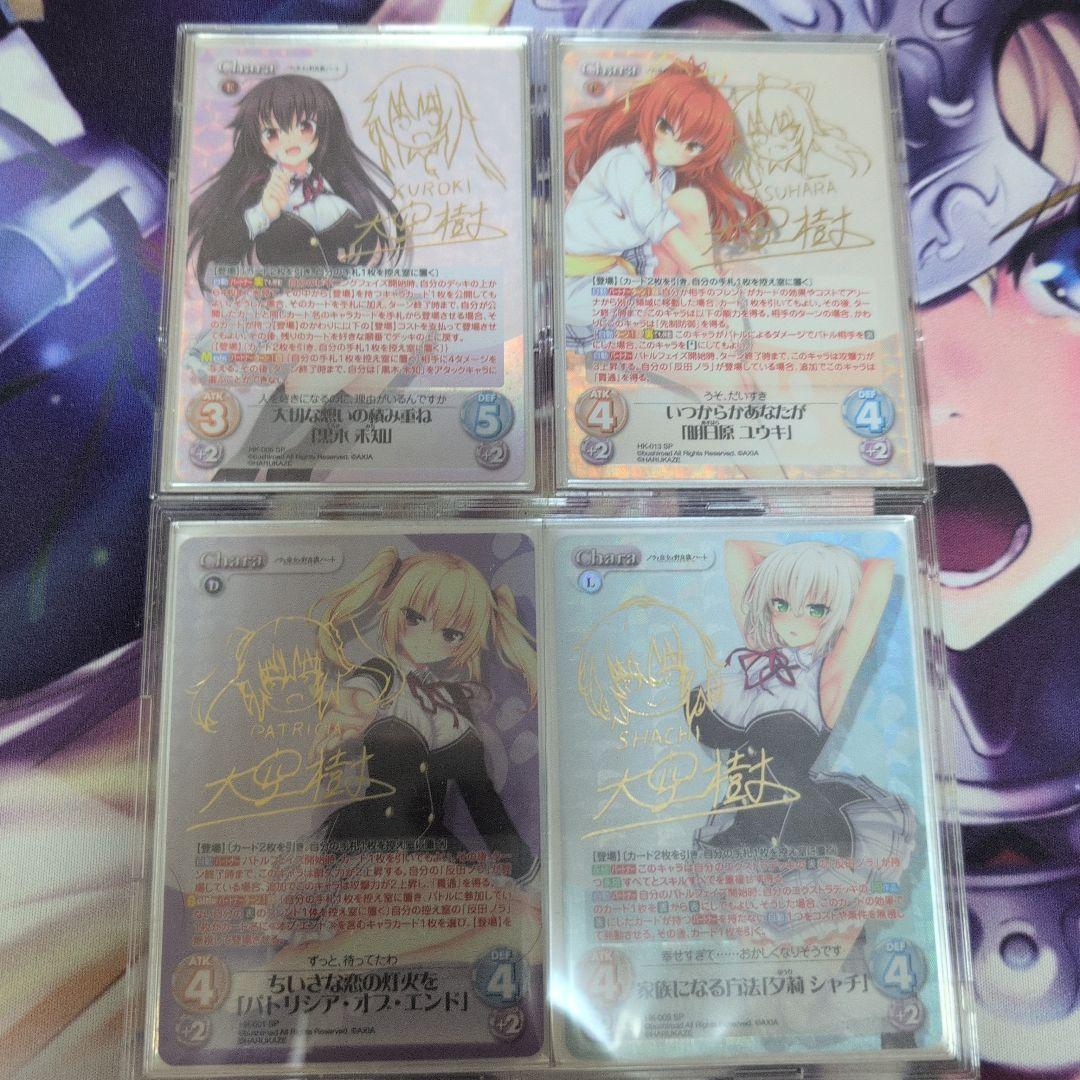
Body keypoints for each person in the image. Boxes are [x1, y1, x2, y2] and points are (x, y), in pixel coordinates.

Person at [309, 546, 539, 884]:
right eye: (414, 618)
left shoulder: (453, 706)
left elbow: (481, 798)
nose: (428, 637)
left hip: (433, 847)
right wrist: (349, 715)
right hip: (370, 842)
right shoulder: (383, 674)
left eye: (450, 634)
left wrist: (523, 871)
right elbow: (360, 696)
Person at [687, 540, 912, 868]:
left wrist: (827, 566)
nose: (793, 620)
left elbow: (880, 570)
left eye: (816, 609)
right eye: (780, 603)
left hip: (806, 835)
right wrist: (797, 561)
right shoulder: (760, 647)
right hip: (748, 831)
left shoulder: (831, 674)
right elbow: (737, 549)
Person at [561, 58, 766, 345]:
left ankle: (699, 316)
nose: (674, 147)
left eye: (692, 145)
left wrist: (700, 277)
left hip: (617, 271)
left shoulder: (664, 176)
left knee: (691, 201)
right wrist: (707, 278)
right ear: (651, 115)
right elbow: (661, 229)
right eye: (666, 127)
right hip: (577, 285)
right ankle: (695, 320)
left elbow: (664, 233)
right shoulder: (622, 164)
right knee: (665, 315)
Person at [187, 73, 404, 283]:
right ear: (258, 143)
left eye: (304, 127)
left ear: (324, 127)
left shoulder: (337, 194)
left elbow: (369, 256)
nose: (290, 141)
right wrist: (263, 214)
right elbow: (218, 264)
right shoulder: (254, 196)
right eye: (272, 134)